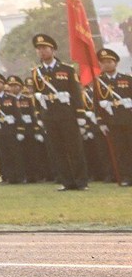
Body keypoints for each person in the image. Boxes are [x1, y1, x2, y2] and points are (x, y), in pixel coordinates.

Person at [28, 33, 89, 190]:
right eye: (39, 49)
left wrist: (80, 114)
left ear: (53, 50)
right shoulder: (36, 72)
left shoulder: (67, 69)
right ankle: (66, 182)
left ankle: (81, 181)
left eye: (45, 48)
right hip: (48, 115)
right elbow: (35, 95)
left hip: (67, 114)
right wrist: (38, 114)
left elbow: (76, 92)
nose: (42, 51)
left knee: (74, 149)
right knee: (57, 150)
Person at [94, 47, 132, 186]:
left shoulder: (127, 79)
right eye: (103, 62)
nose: (106, 64)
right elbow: (96, 104)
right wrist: (101, 122)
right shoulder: (98, 83)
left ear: (115, 63)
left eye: (109, 61)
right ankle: (126, 177)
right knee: (120, 151)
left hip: (129, 119)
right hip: (112, 121)